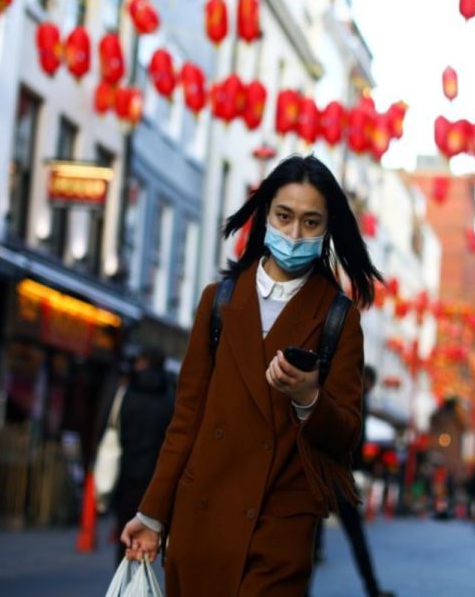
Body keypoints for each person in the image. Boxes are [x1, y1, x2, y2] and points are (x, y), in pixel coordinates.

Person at [121, 154, 382, 596]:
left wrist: (309, 398)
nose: (294, 234)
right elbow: (186, 419)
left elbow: (347, 434)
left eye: (311, 222)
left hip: (278, 530)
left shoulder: (338, 318)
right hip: (203, 518)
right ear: (265, 216)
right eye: (284, 216)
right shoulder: (219, 301)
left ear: (327, 229)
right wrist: (152, 514)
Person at [310, 365, 395, 597]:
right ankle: (372, 588)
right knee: (354, 535)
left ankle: (304, 590)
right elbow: (352, 437)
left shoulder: (345, 392)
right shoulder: (356, 398)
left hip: (326, 473)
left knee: (314, 536)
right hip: (339, 476)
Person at [99, 348, 174, 564]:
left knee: (126, 531)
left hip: (127, 473)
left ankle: (124, 574)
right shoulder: (171, 397)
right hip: (156, 477)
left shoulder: (126, 393)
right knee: (149, 533)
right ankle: (143, 575)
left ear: (144, 362)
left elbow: (108, 427)